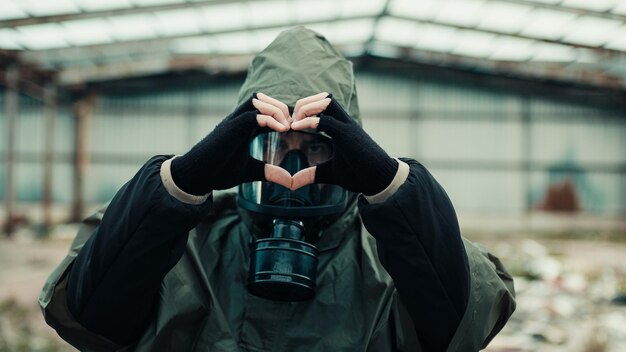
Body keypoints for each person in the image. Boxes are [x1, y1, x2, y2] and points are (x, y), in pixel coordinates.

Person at [40, 27, 515, 352]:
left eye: (314, 147)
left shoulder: (393, 256)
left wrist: (393, 187)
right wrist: (177, 185)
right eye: (274, 146)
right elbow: (91, 319)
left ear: (350, 150)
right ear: (236, 145)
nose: (291, 170)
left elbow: (464, 324)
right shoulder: (185, 241)